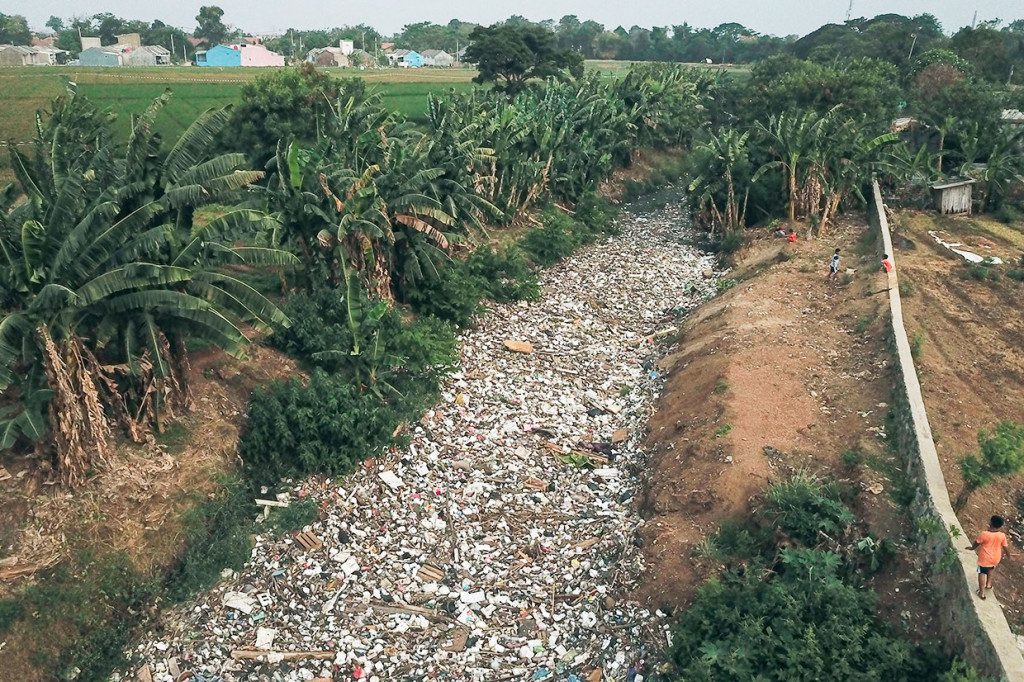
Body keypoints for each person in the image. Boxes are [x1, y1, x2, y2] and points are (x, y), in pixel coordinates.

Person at [968, 515, 1011, 599]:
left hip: (985, 559)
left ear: (990, 523)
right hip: (995, 558)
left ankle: (982, 593)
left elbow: (977, 543)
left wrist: (972, 548)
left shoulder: (985, 534)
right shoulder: (1002, 535)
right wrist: (1009, 556)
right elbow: (1006, 547)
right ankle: (988, 584)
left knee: (982, 573)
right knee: (991, 569)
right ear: (1000, 526)